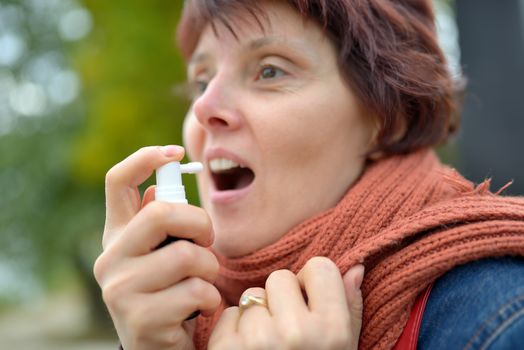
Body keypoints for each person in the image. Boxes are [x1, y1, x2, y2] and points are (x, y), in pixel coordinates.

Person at [93, 1, 524, 349]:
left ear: (385, 117)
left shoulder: (500, 321)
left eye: (270, 70)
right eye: (201, 82)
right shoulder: (179, 325)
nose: (204, 109)